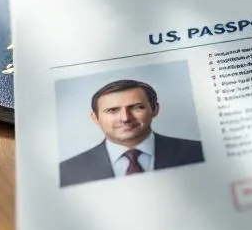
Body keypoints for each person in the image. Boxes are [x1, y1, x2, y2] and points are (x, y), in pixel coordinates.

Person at [59, 78, 204, 186]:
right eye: (112, 110)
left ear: (155, 109)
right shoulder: (68, 171)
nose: (125, 118)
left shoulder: (199, 151)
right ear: (95, 118)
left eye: (137, 107)